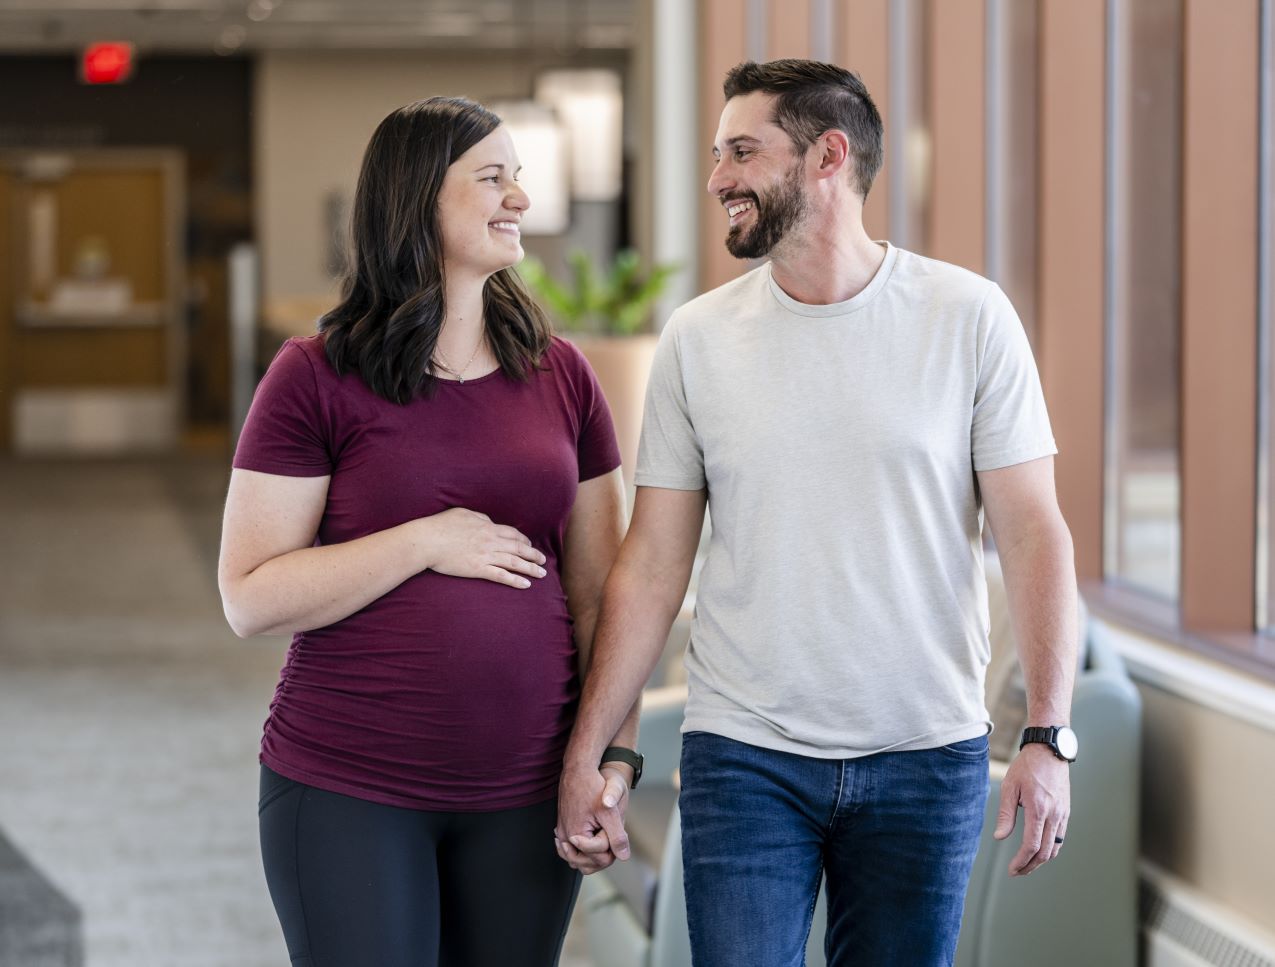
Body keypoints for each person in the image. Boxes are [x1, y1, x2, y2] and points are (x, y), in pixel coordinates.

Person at [555, 59, 1079, 967]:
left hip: (926, 753)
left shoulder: (968, 318)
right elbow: (650, 565)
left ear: (827, 155)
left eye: (743, 150)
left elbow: (1033, 532)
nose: (717, 176)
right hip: (744, 752)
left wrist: (1047, 733)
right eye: (717, 152)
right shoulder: (698, 339)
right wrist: (596, 748)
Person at [217, 95, 636, 967]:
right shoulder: (315, 374)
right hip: (348, 785)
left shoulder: (561, 374)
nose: (519, 198)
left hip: (524, 788)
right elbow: (249, 595)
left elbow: (605, 595)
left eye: (519, 178)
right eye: (493, 178)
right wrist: (424, 540)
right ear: (416, 200)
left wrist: (607, 762)